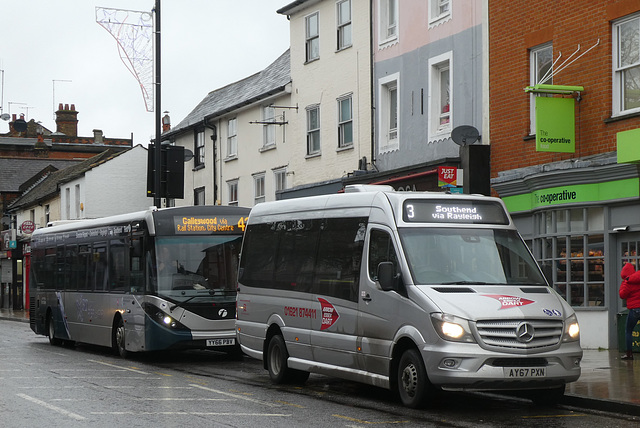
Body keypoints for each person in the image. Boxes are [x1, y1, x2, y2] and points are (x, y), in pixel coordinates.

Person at [619, 262, 640, 360]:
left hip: (634, 309)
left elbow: (622, 295)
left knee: (628, 330)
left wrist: (624, 284)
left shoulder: (627, 283)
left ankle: (629, 353)